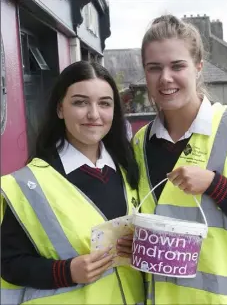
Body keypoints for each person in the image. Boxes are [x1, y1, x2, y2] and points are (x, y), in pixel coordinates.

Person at [132, 15, 227, 304]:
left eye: (178, 66)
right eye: (154, 68)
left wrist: (216, 185)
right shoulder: (140, 143)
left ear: (198, 68)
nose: (165, 78)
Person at [1, 61, 144, 305]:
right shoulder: (25, 184)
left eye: (104, 103)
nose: (94, 114)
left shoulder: (132, 172)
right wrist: (66, 272)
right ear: (60, 108)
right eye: (80, 102)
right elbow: (8, 263)